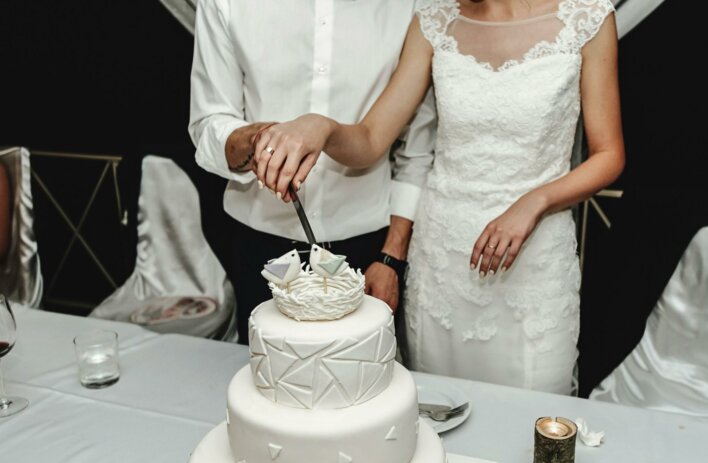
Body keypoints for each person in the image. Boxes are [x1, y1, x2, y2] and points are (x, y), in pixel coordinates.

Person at [251, 0, 625, 394]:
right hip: (443, 264)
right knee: (439, 409)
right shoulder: (434, 21)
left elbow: (609, 155)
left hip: (534, 266)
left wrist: (535, 202)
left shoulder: (587, 18)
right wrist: (322, 128)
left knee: (533, 411)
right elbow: (370, 140)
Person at [189, 0, 437, 344]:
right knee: (268, 375)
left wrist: (392, 258)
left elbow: (417, 151)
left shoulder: (411, 7)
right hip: (261, 245)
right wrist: (260, 140)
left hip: (370, 250)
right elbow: (208, 122)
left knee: (362, 374)